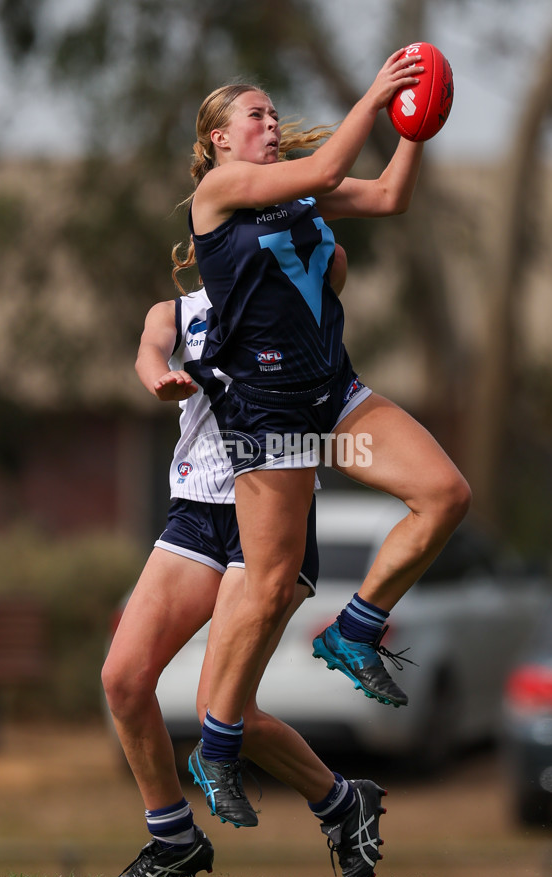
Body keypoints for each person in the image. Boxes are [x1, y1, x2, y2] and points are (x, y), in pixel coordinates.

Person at [173, 49, 472, 823]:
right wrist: (377, 95)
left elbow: (389, 196)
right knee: (270, 589)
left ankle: (356, 629)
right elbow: (326, 166)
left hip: (332, 392)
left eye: (275, 114)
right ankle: (217, 746)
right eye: (257, 116)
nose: (271, 125)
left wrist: (417, 122)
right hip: (268, 416)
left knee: (444, 495)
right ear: (217, 141)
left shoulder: (297, 195)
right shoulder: (221, 190)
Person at [101, 251, 387, 877]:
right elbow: (150, 352)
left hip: (272, 516)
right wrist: (158, 377)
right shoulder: (176, 312)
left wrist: (302, 210)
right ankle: (174, 836)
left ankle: (341, 802)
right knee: (123, 679)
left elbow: (335, 260)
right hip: (196, 511)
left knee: (221, 710)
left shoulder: (293, 293)